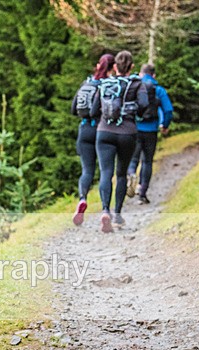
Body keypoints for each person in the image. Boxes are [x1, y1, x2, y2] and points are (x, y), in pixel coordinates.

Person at [91, 50, 148, 233]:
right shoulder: (137, 84)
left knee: (105, 173)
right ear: (132, 67)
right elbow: (144, 105)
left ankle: (105, 210)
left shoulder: (104, 84)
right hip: (127, 133)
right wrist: (135, 113)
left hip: (104, 132)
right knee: (121, 174)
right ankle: (117, 214)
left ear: (114, 67)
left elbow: (93, 110)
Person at [70, 53, 116, 226]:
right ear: (113, 68)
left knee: (87, 170)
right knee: (105, 171)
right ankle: (105, 210)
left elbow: (73, 109)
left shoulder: (86, 83)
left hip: (84, 130)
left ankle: (82, 199)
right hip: (102, 129)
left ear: (98, 66)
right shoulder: (108, 85)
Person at [126, 63, 173, 205]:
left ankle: (131, 174)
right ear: (154, 75)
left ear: (141, 74)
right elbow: (168, 110)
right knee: (147, 161)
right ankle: (142, 192)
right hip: (151, 130)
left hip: (135, 129)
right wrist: (165, 125)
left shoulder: (135, 87)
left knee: (133, 159)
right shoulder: (158, 90)